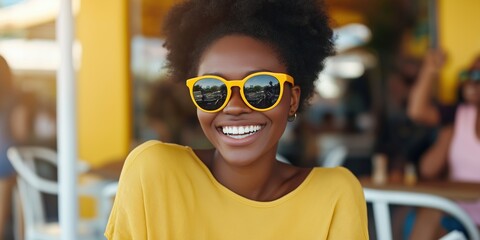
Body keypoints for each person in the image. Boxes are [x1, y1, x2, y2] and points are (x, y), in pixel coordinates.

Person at [105, 0, 369, 239]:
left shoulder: (334, 196)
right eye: (211, 89)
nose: (234, 106)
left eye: (261, 87)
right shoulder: (154, 173)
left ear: (292, 100)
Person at [407, 50, 480, 239]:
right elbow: (417, 111)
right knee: (429, 213)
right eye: (467, 74)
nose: (471, 81)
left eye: (478, 75)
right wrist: (430, 69)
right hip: (460, 215)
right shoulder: (459, 116)